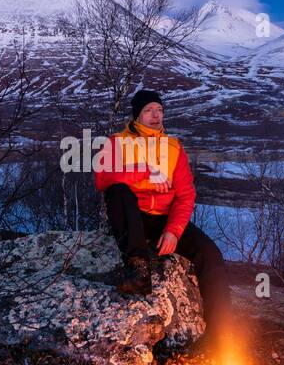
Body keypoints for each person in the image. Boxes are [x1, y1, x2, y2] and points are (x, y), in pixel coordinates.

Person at [94, 89, 233, 346]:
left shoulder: (173, 147)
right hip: (133, 218)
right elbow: (102, 179)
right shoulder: (117, 142)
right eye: (149, 110)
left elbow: (186, 195)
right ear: (137, 115)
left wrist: (174, 230)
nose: (155, 115)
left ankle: (221, 335)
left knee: (211, 256)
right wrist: (144, 172)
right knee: (118, 190)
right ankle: (138, 269)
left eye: (159, 110)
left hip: (165, 220)